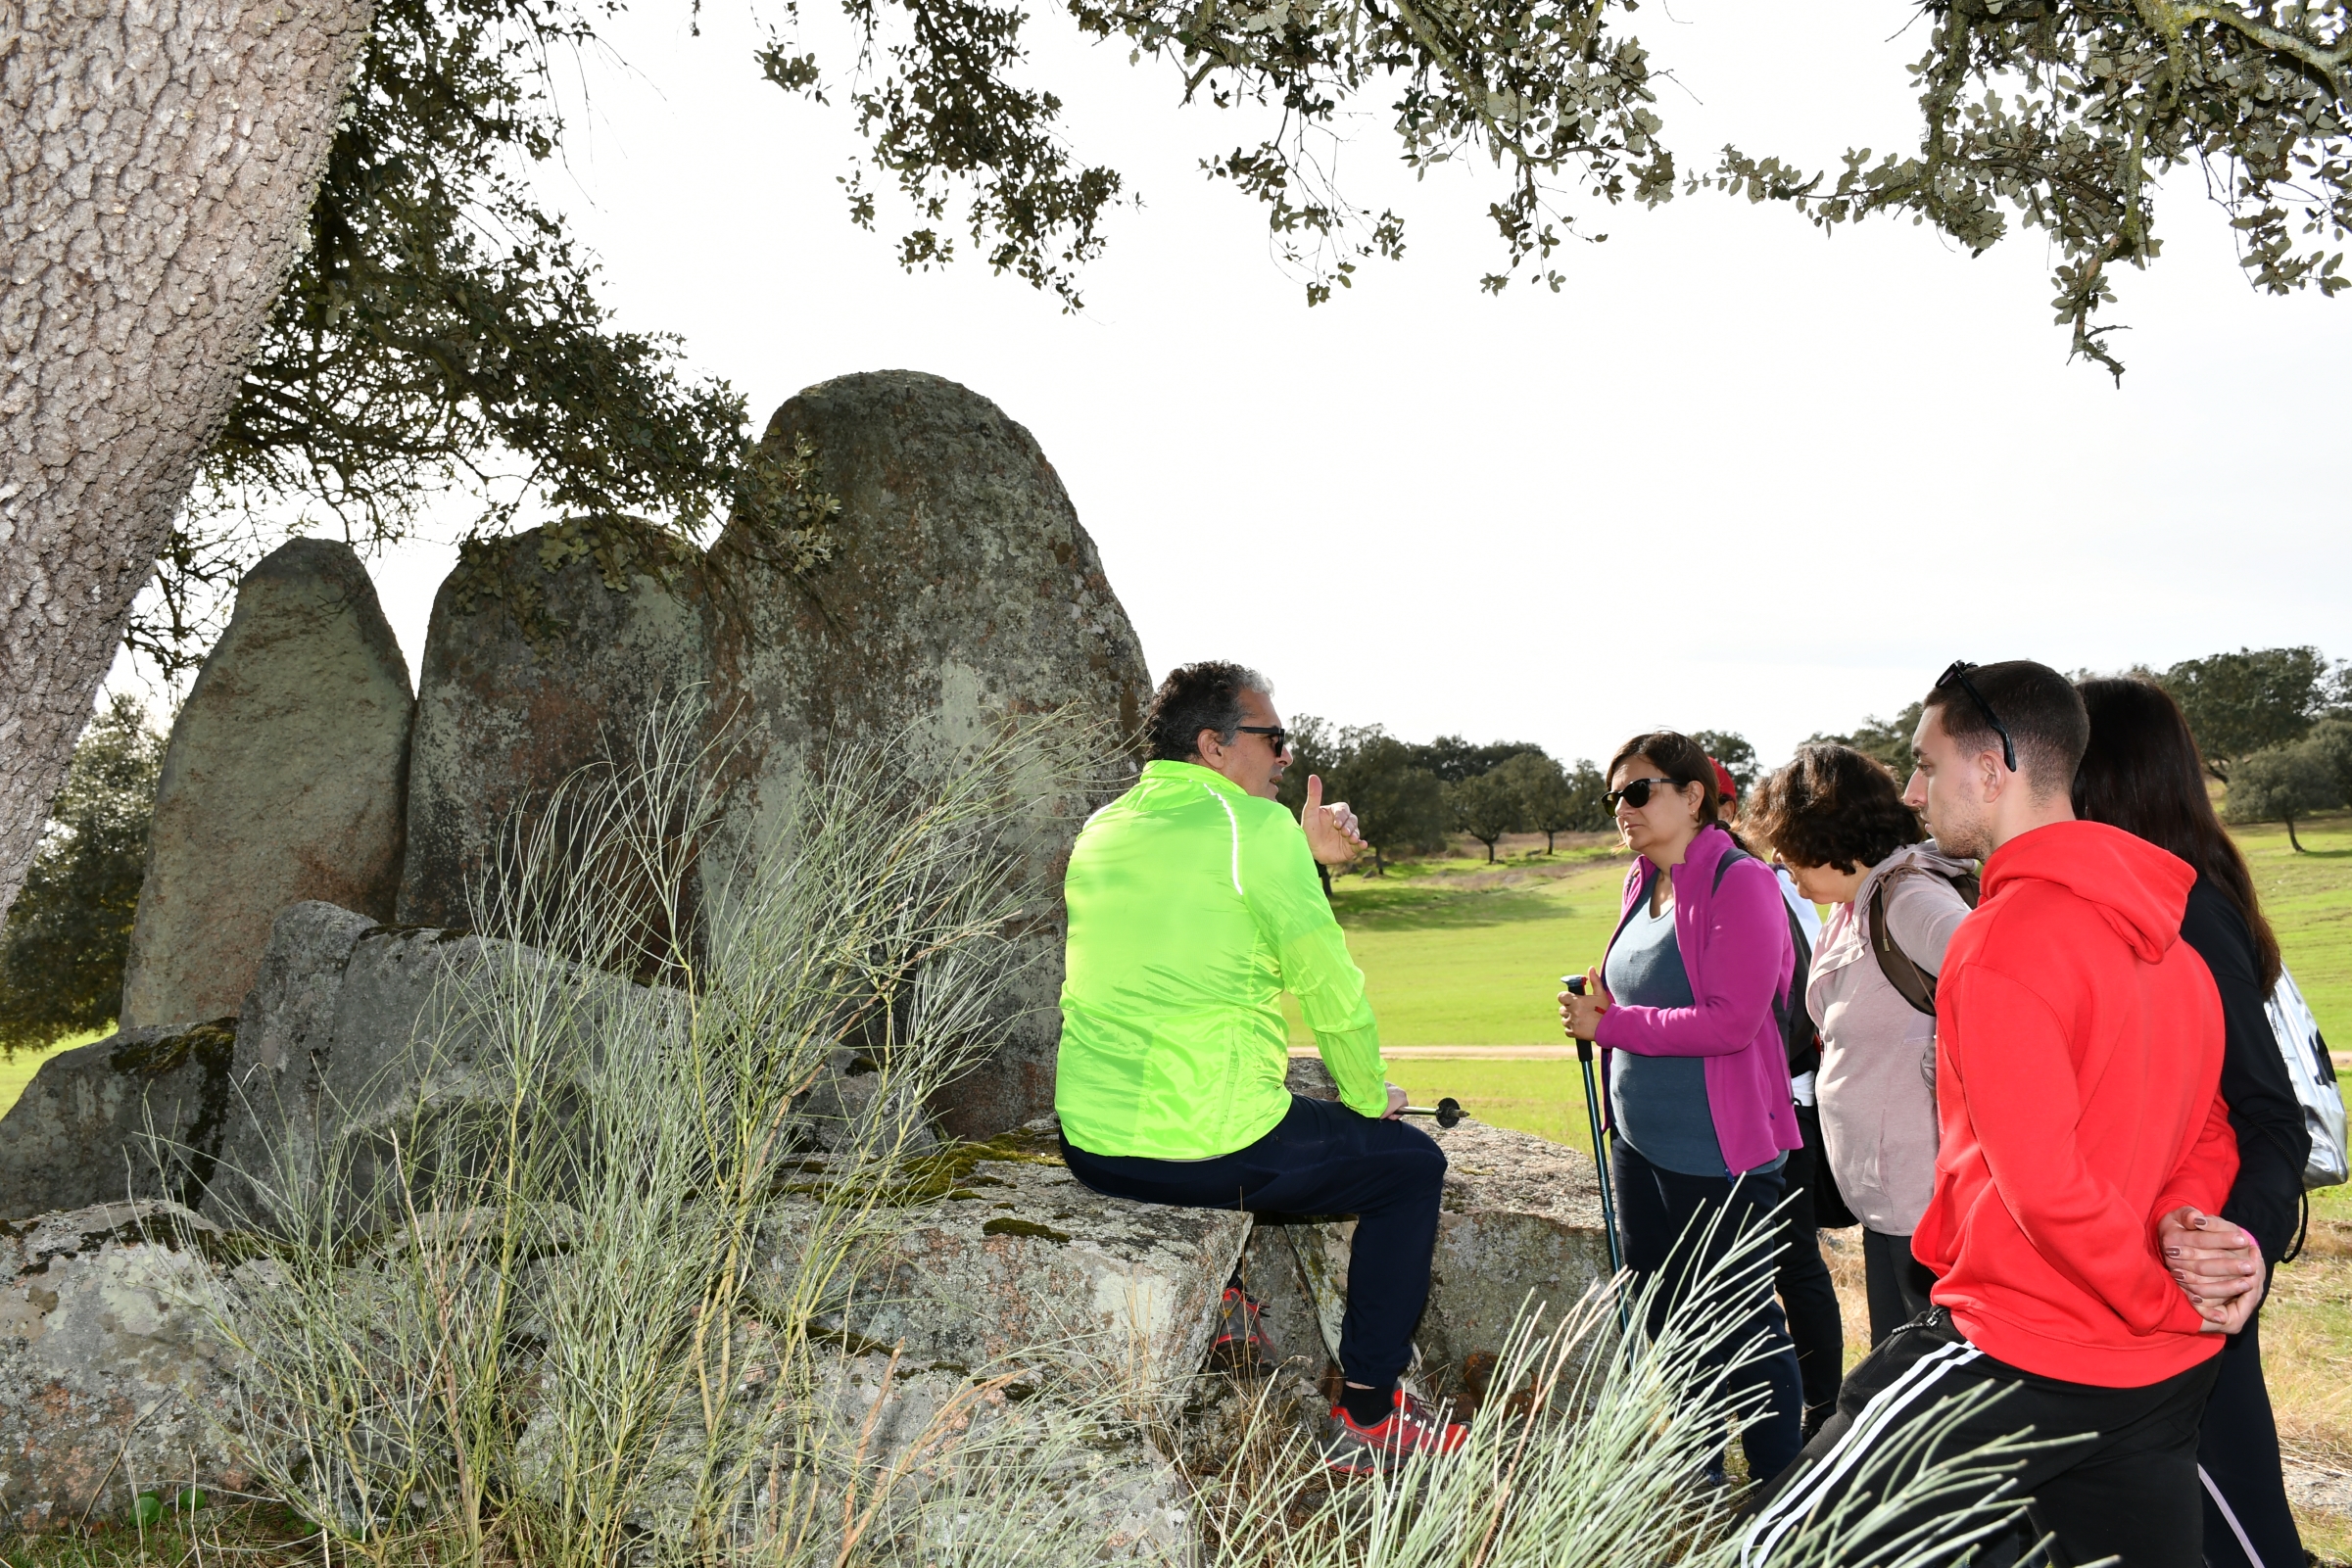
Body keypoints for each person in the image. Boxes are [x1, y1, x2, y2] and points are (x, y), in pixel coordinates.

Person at [1741, 660, 2248, 1568]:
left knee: (1773, 1548)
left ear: (1994, 767)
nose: (1908, 789)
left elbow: (2042, 1186)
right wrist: (2179, 1239)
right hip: (2160, 1371)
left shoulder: (1997, 941)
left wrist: (2152, 1295)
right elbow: (2206, 1128)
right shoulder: (2170, 937)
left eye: (1925, 764)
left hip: (2020, 1349)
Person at [1052, 660, 1467, 1474]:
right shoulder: (1256, 831)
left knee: (1248, 1097)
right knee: (1410, 1165)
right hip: (1204, 1149)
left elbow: (1203, 927)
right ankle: (1371, 1414)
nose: (1283, 755)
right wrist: (1364, 1093)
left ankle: (1231, 1296)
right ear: (1214, 745)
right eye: (1271, 738)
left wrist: (1295, 847)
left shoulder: (1101, 826)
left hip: (1094, 1143)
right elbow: (1329, 987)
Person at [2074, 675, 2308, 1568]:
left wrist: (2229, 1251)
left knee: (2237, 1524)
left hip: (2194, 1278)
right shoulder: (2131, 902)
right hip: (2150, 1276)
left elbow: (2265, 1111)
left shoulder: (2187, 910)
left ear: (2102, 776)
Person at [1558, 731, 1807, 1487]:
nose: (1622, 809)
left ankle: (1778, 1486)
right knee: (1662, 1311)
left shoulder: (1743, 883)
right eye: (1614, 798)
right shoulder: (1643, 881)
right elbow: (1635, 986)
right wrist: (1599, 998)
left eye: (1639, 791)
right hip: (1639, 1138)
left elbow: (1731, 1020)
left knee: (1740, 1323)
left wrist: (1613, 1025)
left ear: (1692, 795)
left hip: (1721, 1152)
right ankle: (1696, 1472)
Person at [1743, 744, 1972, 1346]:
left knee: (1924, 1386)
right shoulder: (1857, 904)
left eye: (1787, 846)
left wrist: (1943, 1067)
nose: (1780, 863)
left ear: (1824, 832)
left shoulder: (1910, 899)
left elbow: (2007, 982)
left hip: (1927, 1202)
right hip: (1890, 1196)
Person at [1713, 757, 1845, 1440]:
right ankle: (1798, 1411)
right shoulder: (1676, 890)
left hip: (1779, 1100)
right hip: (1760, 1099)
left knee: (1787, 1259)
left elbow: (1803, 1001)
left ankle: (1819, 1412)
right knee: (1771, 1262)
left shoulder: (1765, 885)